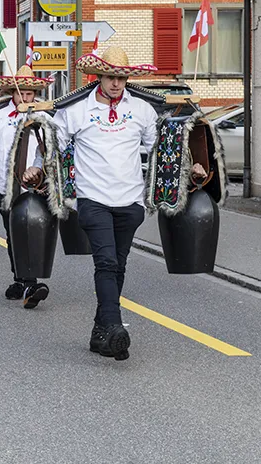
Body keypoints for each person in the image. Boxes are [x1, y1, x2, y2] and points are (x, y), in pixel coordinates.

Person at [41, 47, 205, 361]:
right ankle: (115, 328)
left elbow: (160, 149)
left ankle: (100, 333)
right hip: (93, 200)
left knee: (118, 265)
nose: (116, 83)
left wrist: (189, 164)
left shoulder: (142, 109)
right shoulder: (75, 110)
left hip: (130, 202)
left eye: (121, 77)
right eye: (110, 77)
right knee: (105, 263)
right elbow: (51, 146)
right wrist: (36, 166)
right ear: (98, 76)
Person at [0, 66, 52, 308]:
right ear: (13, 93)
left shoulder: (45, 118)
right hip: (6, 186)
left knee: (34, 231)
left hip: (37, 186)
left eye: (31, 93)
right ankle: (21, 278)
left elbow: (55, 147)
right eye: (22, 93)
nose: (26, 97)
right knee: (13, 234)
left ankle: (30, 280)